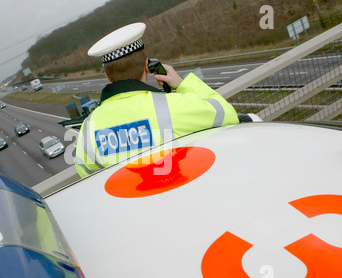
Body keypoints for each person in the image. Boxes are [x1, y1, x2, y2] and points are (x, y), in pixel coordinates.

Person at [75, 22, 239, 178]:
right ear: (147, 66)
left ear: (108, 76)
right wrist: (182, 84)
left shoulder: (89, 127)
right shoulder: (171, 106)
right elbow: (228, 114)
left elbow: (86, 172)